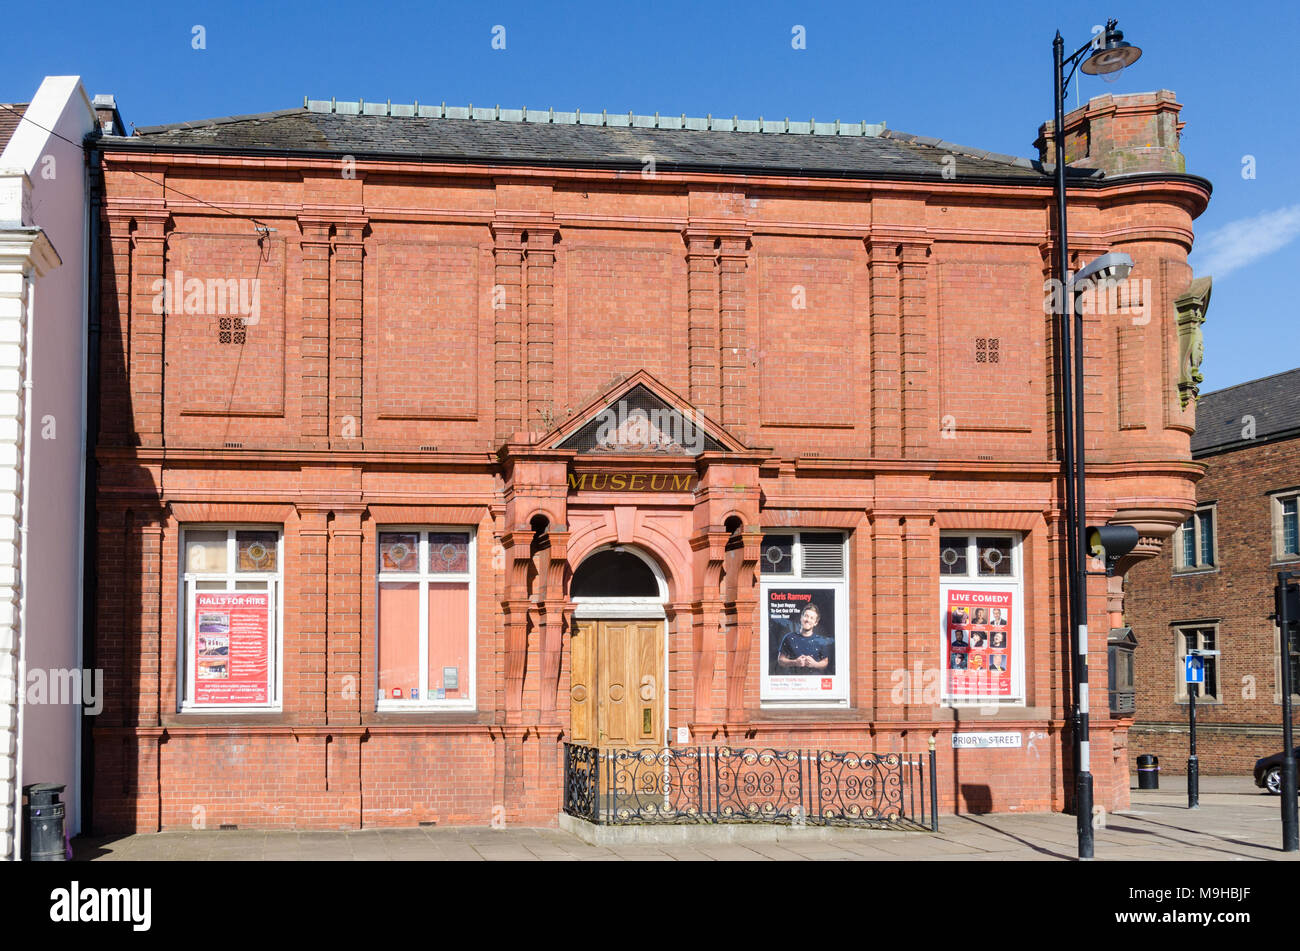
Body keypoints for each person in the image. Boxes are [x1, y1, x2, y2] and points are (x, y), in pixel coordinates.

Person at [776, 604, 833, 673]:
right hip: (794, 680)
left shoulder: (821, 641)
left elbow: (825, 662)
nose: (808, 620)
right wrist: (795, 662)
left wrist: (815, 664)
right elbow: (780, 660)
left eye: (812, 618)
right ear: (801, 618)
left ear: (816, 623)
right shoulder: (789, 637)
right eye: (806, 616)